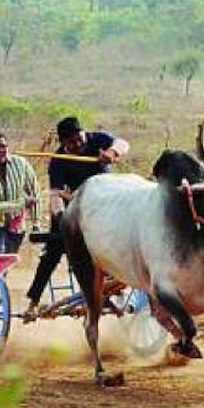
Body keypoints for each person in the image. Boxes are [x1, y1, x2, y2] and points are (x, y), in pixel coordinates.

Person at [24, 117, 129, 320]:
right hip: (73, 208)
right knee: (52, 253)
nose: (78, 145)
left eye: (79, 139)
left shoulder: (97, 139)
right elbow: (55, 195)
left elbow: (123, 143)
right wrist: (61, 217)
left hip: (104, 208)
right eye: (71, 143)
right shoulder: (58, 161)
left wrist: (112, 153)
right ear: (63, 144)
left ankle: (117, 285)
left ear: (84, 133)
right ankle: (33, 301)